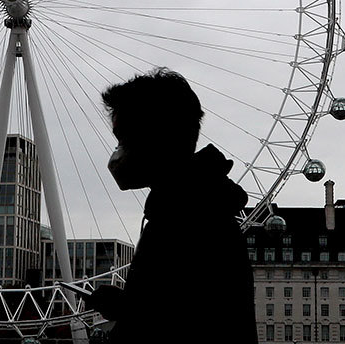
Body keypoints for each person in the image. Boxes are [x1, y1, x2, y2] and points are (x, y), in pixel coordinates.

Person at [85, 68, 257, 343]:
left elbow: (170, 324)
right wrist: (128, 305)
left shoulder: (183, 221)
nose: (117, 153)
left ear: (153, 138)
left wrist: (128, 311)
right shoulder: (201, 205)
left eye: (122, 139)